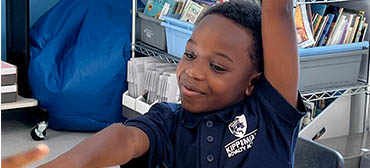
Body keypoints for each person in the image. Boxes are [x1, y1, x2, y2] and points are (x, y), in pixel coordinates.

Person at [35, 0, 305, 167]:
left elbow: (277, 11)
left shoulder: (270, 115)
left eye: (217, 67)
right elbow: (124, 138)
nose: (194, 72)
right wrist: (70, 163)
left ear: (252, 82)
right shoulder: (168, 121)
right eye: (189, 55)